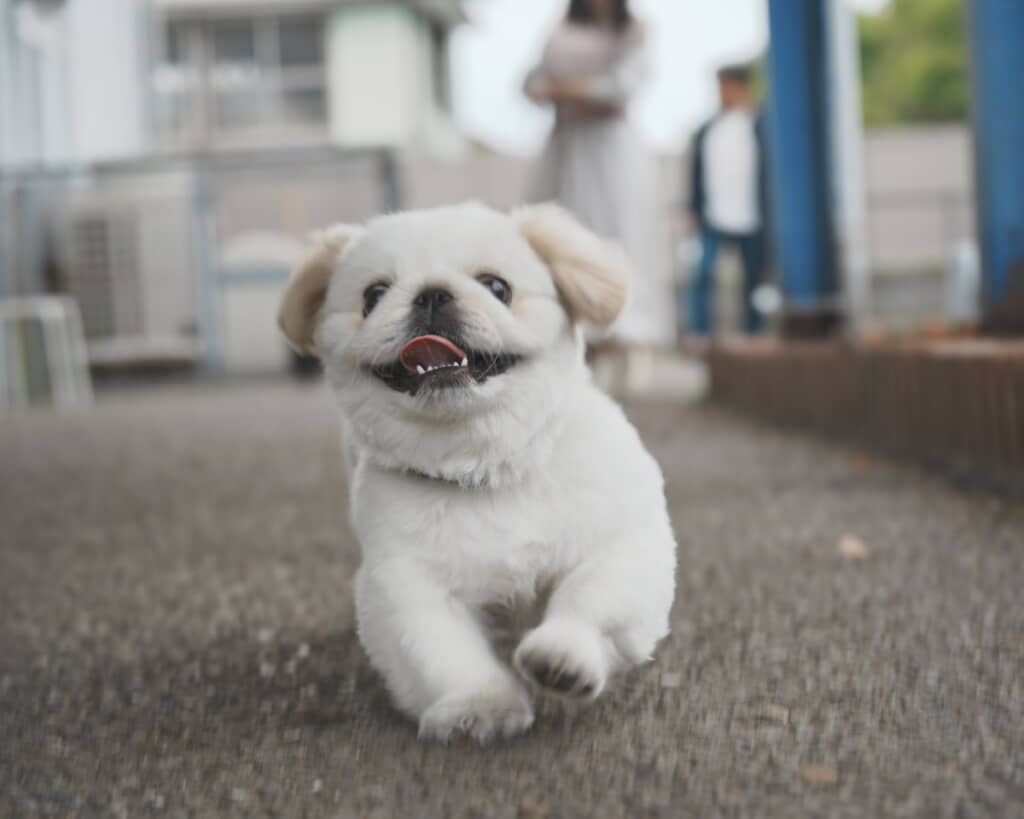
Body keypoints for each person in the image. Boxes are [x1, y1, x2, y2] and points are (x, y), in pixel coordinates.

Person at [524, 0, 674, 357]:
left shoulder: (635, 30)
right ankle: (580, 329)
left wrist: (564, 90)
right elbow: (532, 81)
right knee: (564, 235)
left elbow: (620, 86)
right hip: (566, 149)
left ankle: (628, 335)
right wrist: (565, 92)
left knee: (622, 234)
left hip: (611, 153)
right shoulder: (561, 27)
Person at [686, 63, 768, 338]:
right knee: (703, 275)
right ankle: (701, 333)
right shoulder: (708, 129)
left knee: (755, 279)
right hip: (713, 216)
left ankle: (753, 333)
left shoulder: (760, 125)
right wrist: (694, 209)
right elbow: (696, 174)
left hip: (753, 216)